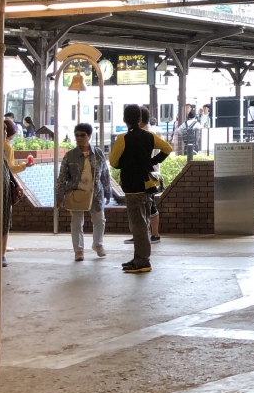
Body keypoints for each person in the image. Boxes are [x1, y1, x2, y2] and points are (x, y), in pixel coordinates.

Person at [109, 104, 171, 274]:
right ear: (139, 119)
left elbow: (113, 162)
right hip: (147, 185)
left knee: (138, 224)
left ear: (124, 120)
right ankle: (139, 257)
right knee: (143, 222)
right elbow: (168, 148)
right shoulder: (149, 136)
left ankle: (142, 260)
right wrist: (152, 161)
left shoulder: (123, 138)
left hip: (132, 186)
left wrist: (125, 164)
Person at [55, 122, 111, 261]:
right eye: (77, 135)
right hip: (76, 193)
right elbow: (62, 177)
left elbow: (105, 174)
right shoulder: (70, 156)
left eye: (82, 135)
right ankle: (78, 250)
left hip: (96, 193)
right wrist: (59, 196)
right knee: (76, 222)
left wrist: (107, 192)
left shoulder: (98, 154)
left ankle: (98, 244)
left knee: (100, 220)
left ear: (89, 136)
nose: (79, 138)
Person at [2, 117, 35, 267]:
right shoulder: (6, 147)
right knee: (5, 219)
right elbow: (9, 168)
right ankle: (2, 252)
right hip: (4, 186)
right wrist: (24, 166)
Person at [140, 106, 168, 243]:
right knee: (146, 204)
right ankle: (145, 233)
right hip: (152, 172)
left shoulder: (147, 135)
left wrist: (151, 161)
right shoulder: (152, 132)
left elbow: (167, 148)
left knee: (150, 204)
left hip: (149, 174)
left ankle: (155, 234)